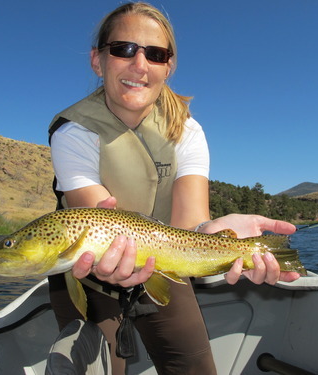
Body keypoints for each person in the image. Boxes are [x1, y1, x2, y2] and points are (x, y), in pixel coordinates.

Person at [48, 2, 300, 374]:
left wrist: (217, 240)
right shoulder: (73, 133)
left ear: (169, 66)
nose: (139, 65)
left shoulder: (188, 131)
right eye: (124, 49)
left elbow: (191, 222)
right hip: (87, 278)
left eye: (155, 54)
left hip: (169, 260)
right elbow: (98, 223)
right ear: (98, 61)